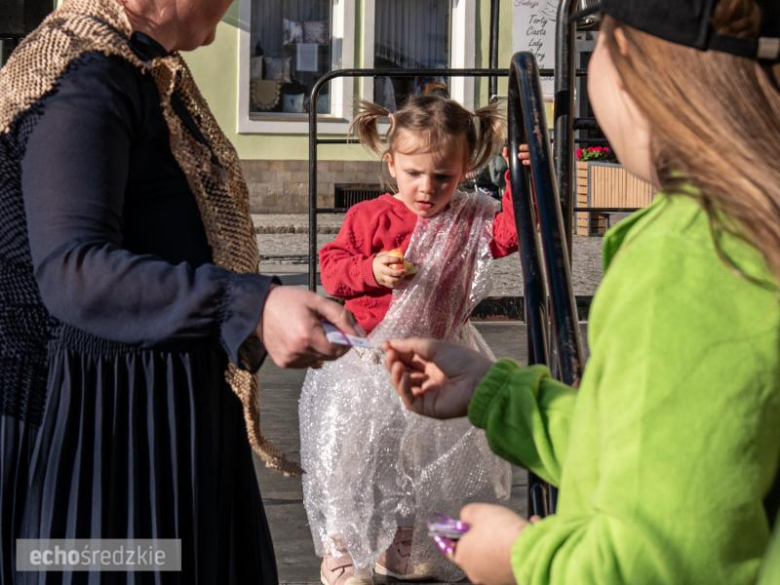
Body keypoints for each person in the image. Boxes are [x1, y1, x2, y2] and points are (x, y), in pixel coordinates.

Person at [384, 0, 780, 583]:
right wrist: (503, 397)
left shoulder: (693, 255)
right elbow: (674, 455)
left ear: (630, 64)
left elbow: (654, 561)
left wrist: (522, 559)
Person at [0, 0, 358, 582]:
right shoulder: (83, 76)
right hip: (106, 442)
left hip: (150, 420)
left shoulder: (134, 64)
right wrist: (251, 304)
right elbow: (74, 270)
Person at [299, 95, 522, 585]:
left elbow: (509, 234)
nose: (427, 188)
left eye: (442, 177)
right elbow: (334, 271)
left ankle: (403, 548)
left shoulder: (468, 216)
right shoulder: (370, 216)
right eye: (415, 173)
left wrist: (519, 180)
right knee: (350, 458)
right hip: (369, 359)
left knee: (420, 462)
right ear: (391, 163)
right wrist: (371, 269)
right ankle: (343, 550)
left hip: (435, 359)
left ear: (466, 169)